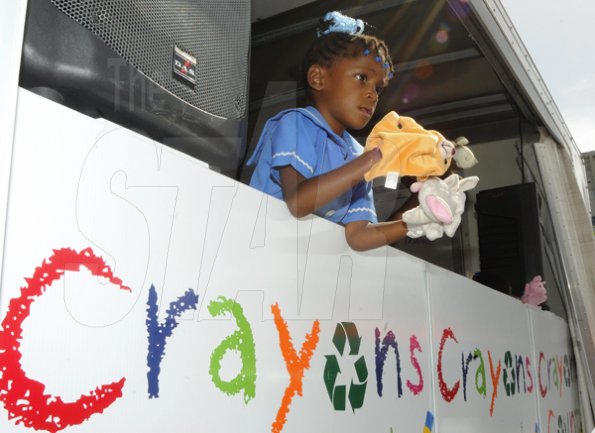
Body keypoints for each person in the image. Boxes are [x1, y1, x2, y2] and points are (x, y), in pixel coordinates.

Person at [247, 11, 418, 251]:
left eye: (378, 88)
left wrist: (417, 220)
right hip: (254, 248)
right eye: (361, 77)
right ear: (318, 78)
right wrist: (374, 158)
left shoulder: (358, 156)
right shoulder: (296, 124)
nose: (372, 94)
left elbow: (358, 237)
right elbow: (298, 201)